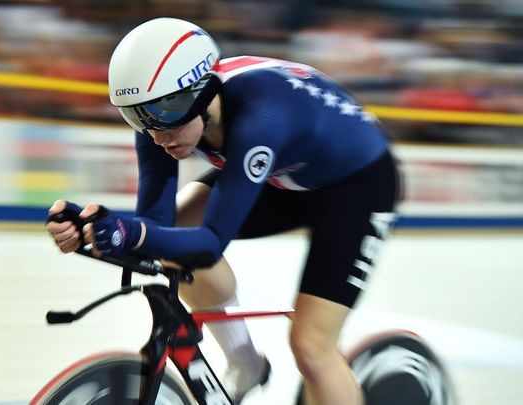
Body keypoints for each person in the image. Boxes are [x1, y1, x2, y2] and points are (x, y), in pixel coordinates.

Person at [46, 17, 400, 405]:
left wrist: (129, 234)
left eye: (165, 112)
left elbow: (210, 244)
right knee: (174, 234)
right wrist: (93, 229)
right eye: (136, 115)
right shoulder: (160, 113)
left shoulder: (261, 116)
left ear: (203, 93)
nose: (157, 134)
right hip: (286, 174)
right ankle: (245, 363)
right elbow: (156, 226)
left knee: (311, 346)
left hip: (356, 185)